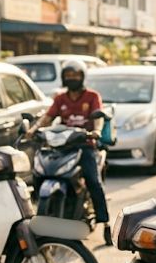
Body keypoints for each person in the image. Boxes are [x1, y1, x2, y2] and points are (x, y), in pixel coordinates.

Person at [26, 60, 111, 243]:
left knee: (93, 182)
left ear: (82, 77)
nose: (72, 78)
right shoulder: (60, 99)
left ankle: (105, 223)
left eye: (75, 75)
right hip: (63, 146)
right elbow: (48, 117)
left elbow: (99, 117)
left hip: (85, 146)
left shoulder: (92, 96)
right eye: (68, 76)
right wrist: (34, 130)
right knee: (40, 171)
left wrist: (96, 131)